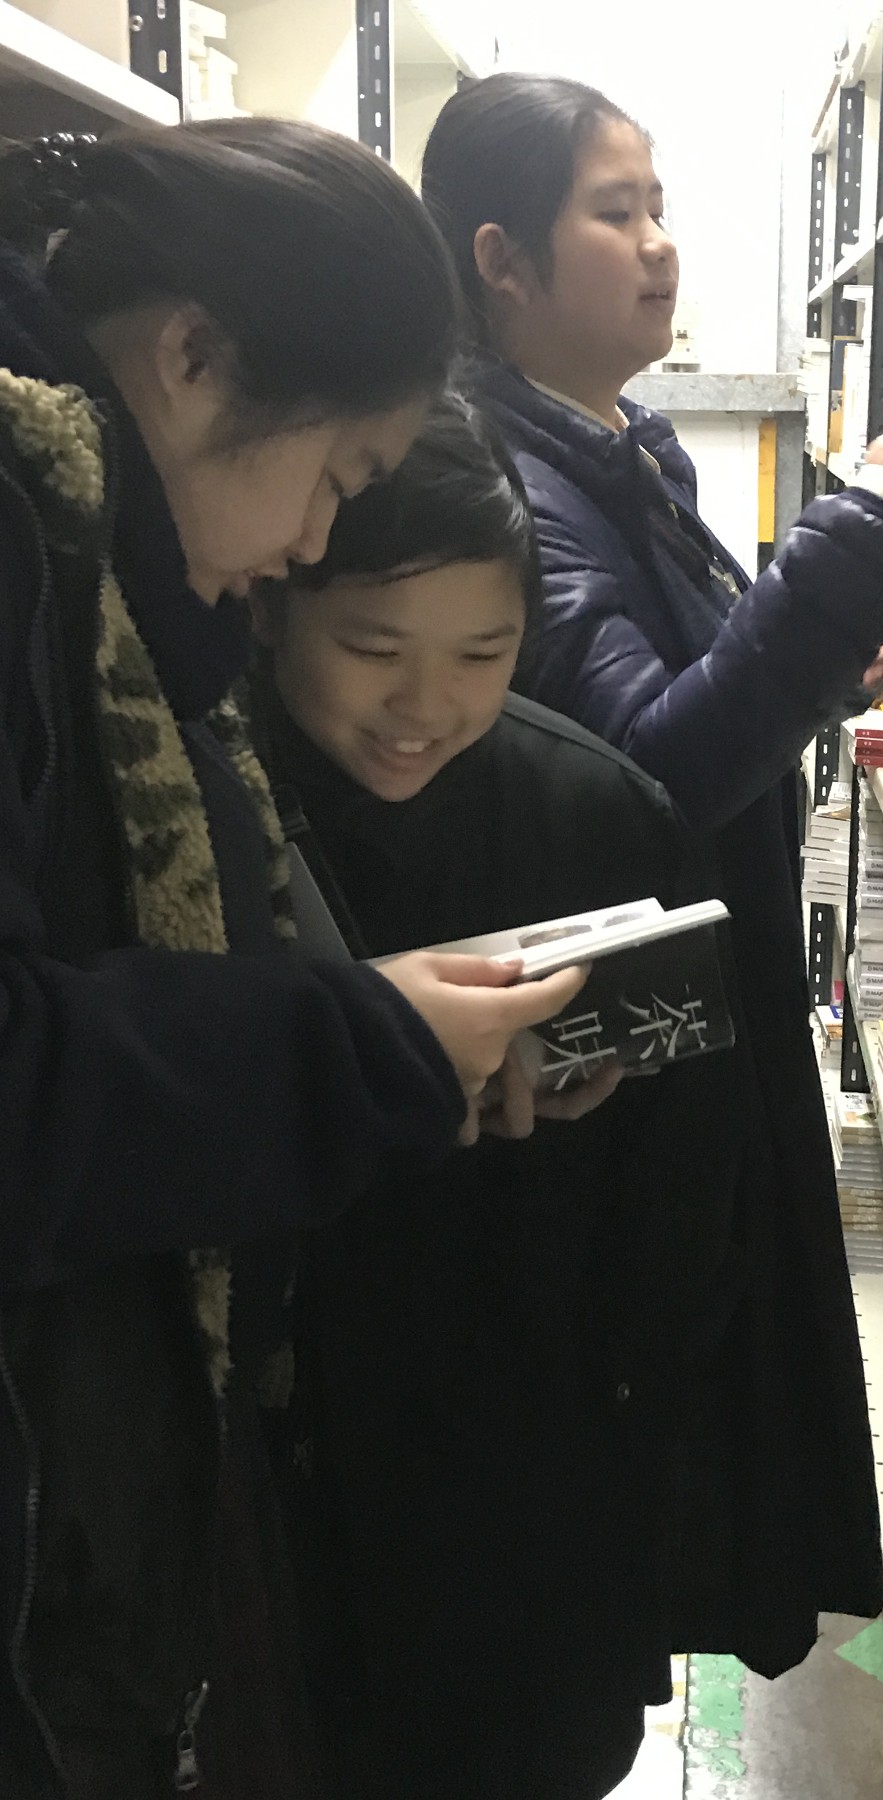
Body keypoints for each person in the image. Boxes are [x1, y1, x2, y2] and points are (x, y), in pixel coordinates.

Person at [0, 122, 585, 1800]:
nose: (323, 542)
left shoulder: (111, 578)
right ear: (192, 359)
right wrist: (359, 1041)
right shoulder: (36, 551)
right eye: (337, 472)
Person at [420, 73, 883, 1671]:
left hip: (685, 1036)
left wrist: (824, 664)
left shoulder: (614, 449)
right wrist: (872, 514)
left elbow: (694, 695)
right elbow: (652, 778)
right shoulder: (506, 483)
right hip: (614, 1076)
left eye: (659, 206)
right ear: (501, 260)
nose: (661, 245)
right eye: (616, 212)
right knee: (631, 1471)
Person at [249, 392, 749, 1799]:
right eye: (372, 649)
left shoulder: (596, 813)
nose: (426, 707)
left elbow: (690, 1191)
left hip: (528, 1444)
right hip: (287, 1454)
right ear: (273, 605)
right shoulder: (209, 806)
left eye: (484, 652)